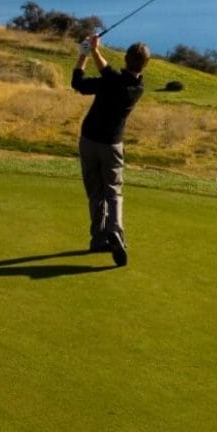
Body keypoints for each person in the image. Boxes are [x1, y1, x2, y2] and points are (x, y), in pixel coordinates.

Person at [72, 34, 149, 267]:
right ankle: (114, 231)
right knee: (113, 191)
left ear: (126, 59)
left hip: (88, 141)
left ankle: (98, 238)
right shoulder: (138, 87)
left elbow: (78, 83)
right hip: (111, 145)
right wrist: (93, 51)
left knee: (95, 192)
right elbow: (107, 74)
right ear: (145, 65)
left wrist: (85, 53)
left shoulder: (112, 81)